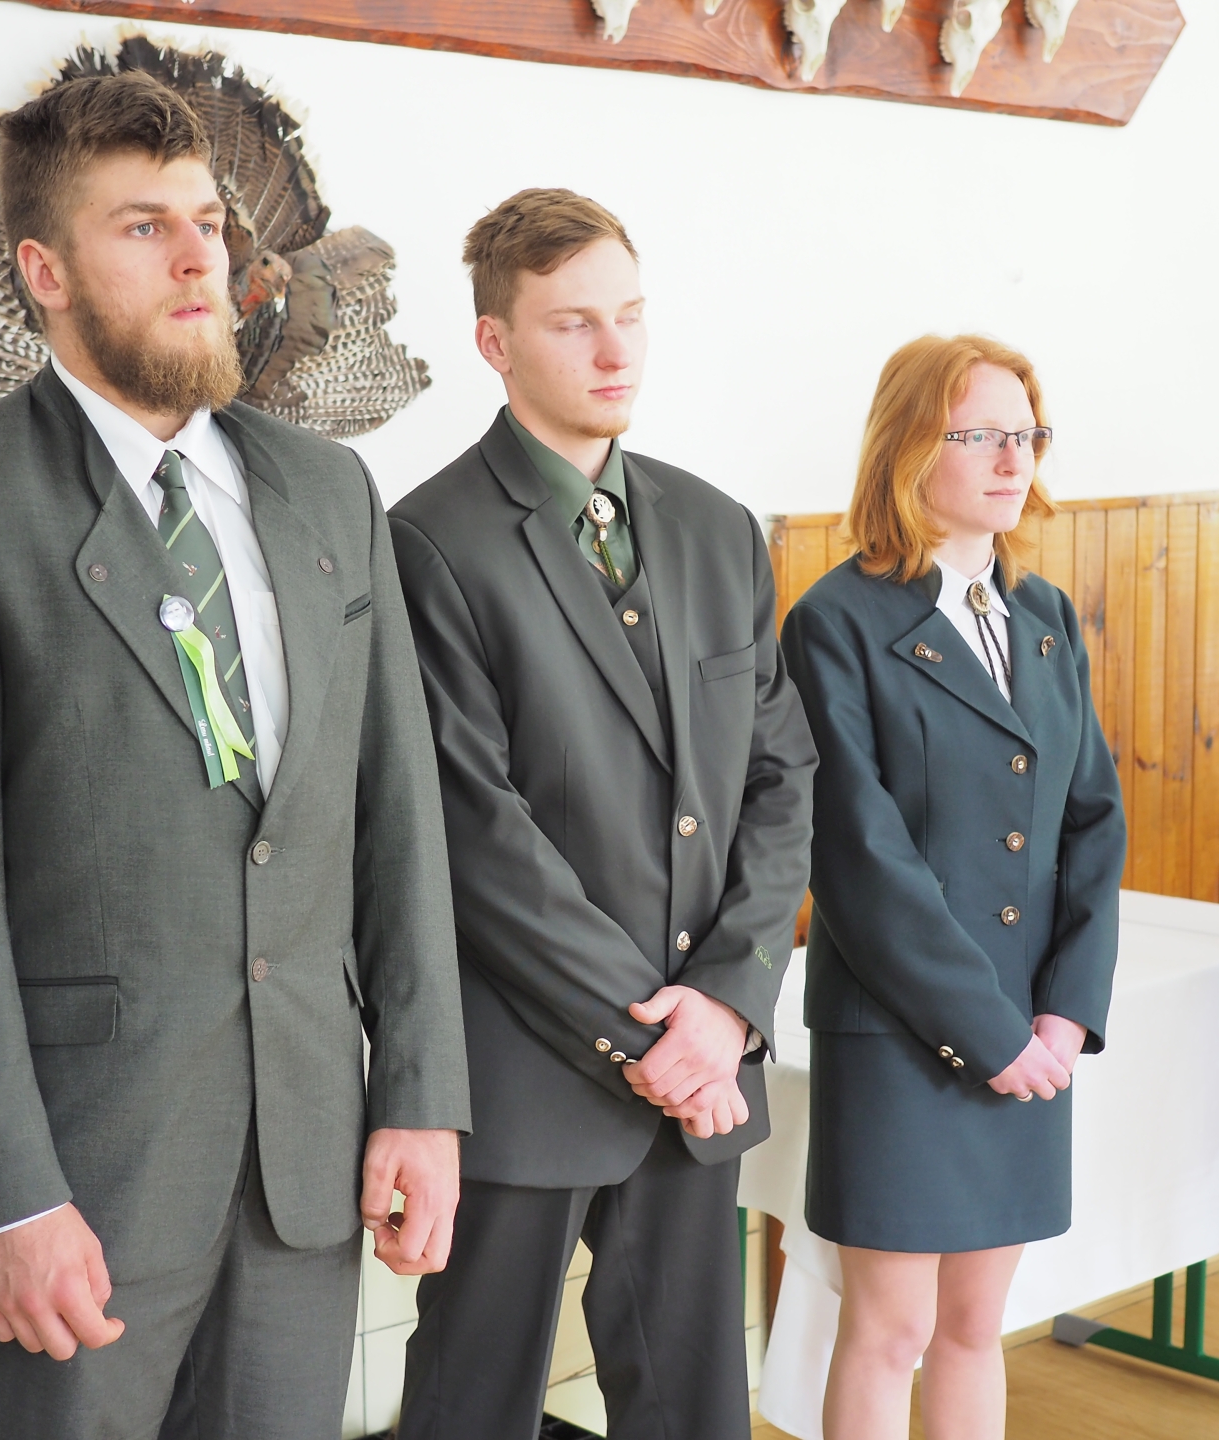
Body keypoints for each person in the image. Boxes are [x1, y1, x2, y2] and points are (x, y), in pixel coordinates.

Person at [0, 71, 468, 1440]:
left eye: (207, 221)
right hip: (84, 1186)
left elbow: (398, 819)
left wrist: (421, 1099)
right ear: (46, 271)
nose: (202, 256)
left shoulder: (331, 490)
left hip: (307, 1165)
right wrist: (5, 1198)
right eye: (144, 227)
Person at [389, 188, 815, 1440]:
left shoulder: (719, 529)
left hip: (703, 1070)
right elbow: (475, 832)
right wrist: (651, 1039)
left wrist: (725, 1005)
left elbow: (781, 781)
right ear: (495, 342)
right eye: (574, 323)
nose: (615, 349)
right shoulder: (427, 542)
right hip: (525, 1079)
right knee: (470, 1412)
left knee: (695, 1416)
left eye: (630, 315)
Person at [779, 334, 1125, 1440]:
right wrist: (991, 1032)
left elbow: (1093, 822)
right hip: (902, 1031)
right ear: (910, 446)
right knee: (892, 1331)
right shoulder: (836, 621)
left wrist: (1067, 1010)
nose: (1013, 459)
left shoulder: (1046, 616)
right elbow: (857, 856)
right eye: (980, 435)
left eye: (1027, 434)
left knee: (978, 1326)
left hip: (1032, 1028)